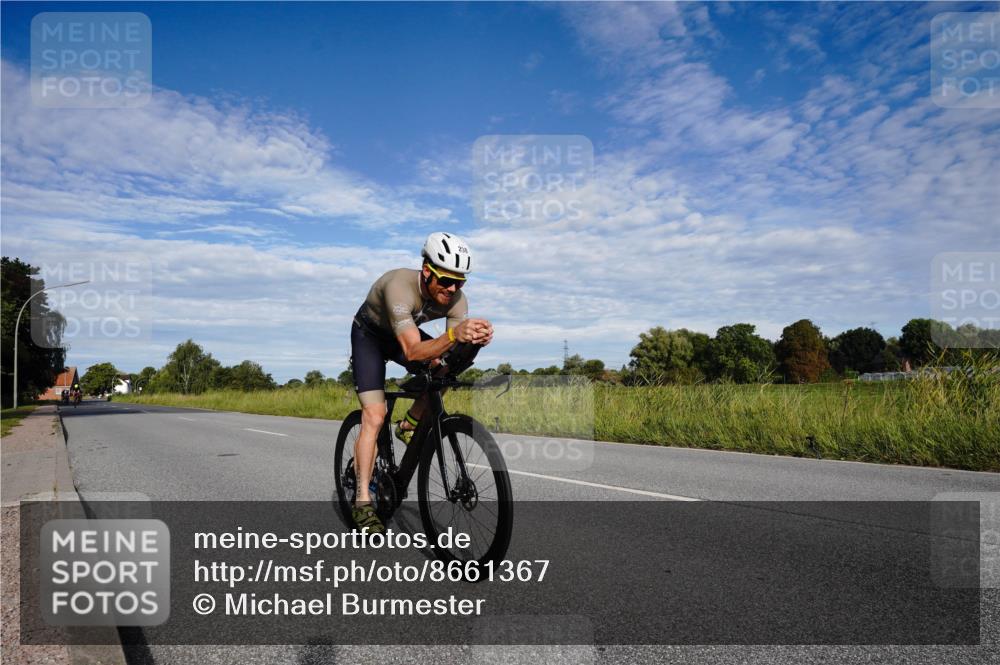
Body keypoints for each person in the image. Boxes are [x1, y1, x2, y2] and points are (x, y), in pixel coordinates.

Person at [349, 232, 493, 533]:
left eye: (460, 282)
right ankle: (363, 502)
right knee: (374, 417)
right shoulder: (398, 287)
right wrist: (455, 334)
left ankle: (409, 424)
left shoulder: (456, 299)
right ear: (427, 271)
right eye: (445, 280)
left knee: (443, 372)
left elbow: (452, 355)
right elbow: (413, 350)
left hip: (406, 335)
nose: (452, 288)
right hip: (371, 338)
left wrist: (475, 342)